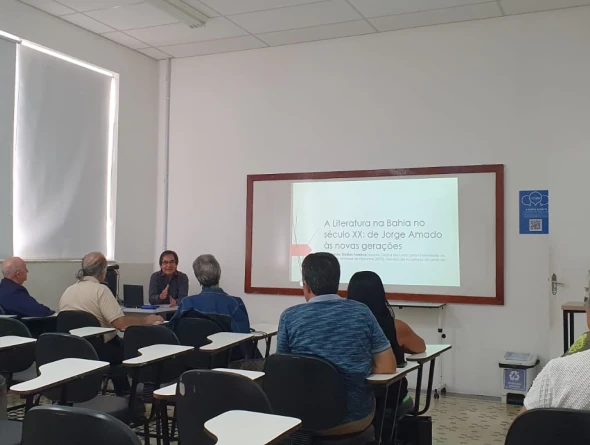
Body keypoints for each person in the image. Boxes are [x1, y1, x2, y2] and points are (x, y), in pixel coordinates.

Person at [277, 253, 396, 436]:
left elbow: (283, 372)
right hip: (355, 417)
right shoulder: (362, 312)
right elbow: (388, 366)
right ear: (337, 282)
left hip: (301, 419)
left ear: (306, 285)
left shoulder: (289, 317)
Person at [59, 252, 164, 395]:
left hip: (73, 349)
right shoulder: (100, 290)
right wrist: (145, 321)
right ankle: (132, 394)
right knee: (131, 346)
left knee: (117, 345)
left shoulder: (68, 291)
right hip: (101, 351)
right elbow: (121, 324)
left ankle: (123, 392)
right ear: (103, 272)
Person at [348, 271, 426, 411]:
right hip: (391, 399)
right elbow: (420, 347)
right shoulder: (396, 327)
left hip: (354, 399)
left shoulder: (344, 326)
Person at [169, 254, 251, 334]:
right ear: (219, 273)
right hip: (225, 347)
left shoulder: (186, 303)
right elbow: (244, 339)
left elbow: (172, 331)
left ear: (198, 278)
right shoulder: (235, 304)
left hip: (192, 347)